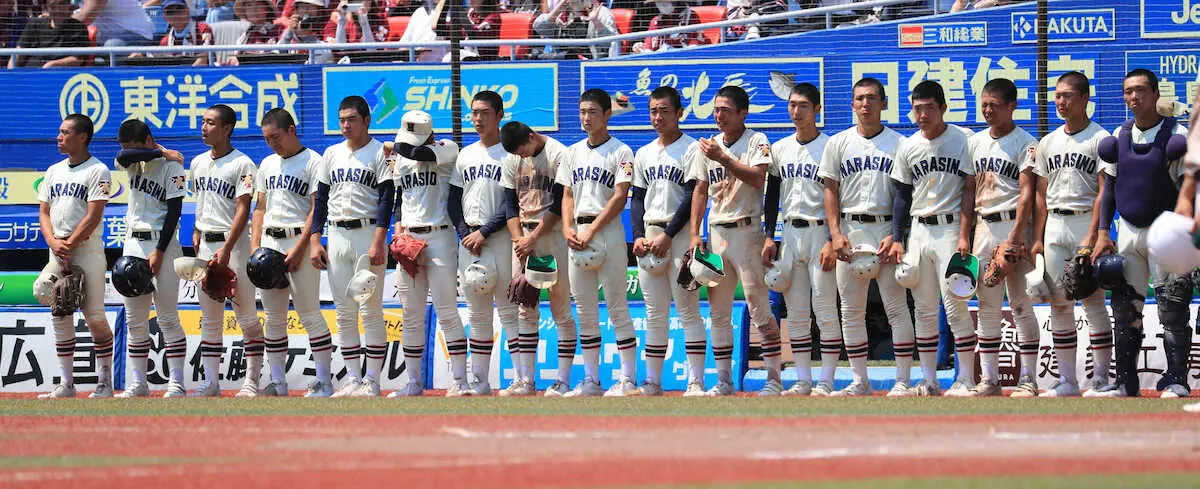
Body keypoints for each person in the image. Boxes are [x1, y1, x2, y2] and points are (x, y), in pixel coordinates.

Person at [1091, 69, 1191, 398]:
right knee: (1124, 309)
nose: (1134, 98)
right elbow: (1109, 191)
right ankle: (1125, 382)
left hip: (1166, 234)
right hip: (1129, 232)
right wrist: (1104, 232)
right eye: (1128, 92)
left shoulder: (1177, 135)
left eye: (1140, 91)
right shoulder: (1118, 137)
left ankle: (1176, 379)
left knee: (1172, 306)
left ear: (1155, 94)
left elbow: (1191, 185)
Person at [818, 78, 916, 397]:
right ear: (852, 104)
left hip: (886, 230)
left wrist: (896, 234)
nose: (865, 104)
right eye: (859, 98)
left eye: (872, 98)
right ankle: (860, 380)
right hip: (850, 228)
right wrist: (835, 234)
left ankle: (903, 380)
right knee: (850, 309)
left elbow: (905, 193)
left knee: (896, 307)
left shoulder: (900, 144)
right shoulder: (838, 143)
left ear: (884, 103)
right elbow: (829, 190)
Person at [688, 85, 782, 396]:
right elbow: (701, 190)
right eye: (716, 109)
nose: (719, 116)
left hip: (747, 230)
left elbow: (759, 179)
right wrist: (694, 233)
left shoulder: (756, 140)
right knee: (718, 310)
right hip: (716, 232)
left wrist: (724, 158)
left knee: (758, 305)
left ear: (743, 113)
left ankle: (773, 378)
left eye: (726, 110)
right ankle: (724, 380)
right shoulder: (709, 146)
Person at [887, 80, 977, 397]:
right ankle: (928, 380)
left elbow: (970, 190)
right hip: (919, 229)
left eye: (928, 108)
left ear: (942, 108)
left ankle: (966, 378)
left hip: (951, 228)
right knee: (923, 309)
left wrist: (966, 234)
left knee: (955, 306)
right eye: (917, 108)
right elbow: (901, 194)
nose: (922, 114)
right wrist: (898, 238)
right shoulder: (908, 145)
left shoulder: (964, 139)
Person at [1029, 71, 1114, 397]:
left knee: (1092, 301)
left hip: (1083, 224)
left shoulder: (1100, 138)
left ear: (1084, 98)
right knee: (1059, 304)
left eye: (1067, 96)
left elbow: (1104, 193)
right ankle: (1068, 381)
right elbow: (1040, 193)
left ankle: (1102, 380)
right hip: (1055, 227)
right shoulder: (1049, 142)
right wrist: (1038, 236)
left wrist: (1092, 237)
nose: (1060, 102)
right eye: (1057, 96)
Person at [555, 88, 638, 396]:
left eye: (592, 112)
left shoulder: (622, 151)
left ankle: (628, 379)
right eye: (582, 112)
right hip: (576, 232)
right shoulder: (572, 152)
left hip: (608, 232)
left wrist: (590, 230)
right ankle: (591, 380)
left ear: (607, 115)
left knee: (617, 306)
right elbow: (566, 195)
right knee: (585, 310)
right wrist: (566, 228)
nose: (586, 118)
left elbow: (620, 197)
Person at [309, 96, 392, 398]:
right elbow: (320, 200)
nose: (345, 125)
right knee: (344, 312)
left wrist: (380, 239)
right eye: (342, 119)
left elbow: (387, 198)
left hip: (367, 232)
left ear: (367, 121)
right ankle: (352, 379)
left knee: (370, 310)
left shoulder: (381, 152)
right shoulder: (330, 153)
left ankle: (372, 380)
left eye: (351, 119)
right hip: (338, 235)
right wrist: (316, 239)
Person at [252, 108, 335, 398]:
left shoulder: (314, 161)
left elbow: (317, 207)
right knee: (273, 317)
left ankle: (324, 380)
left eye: (275, 136)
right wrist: (255, 248)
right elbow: (260, 208)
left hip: (297, 243)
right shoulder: (266, 164)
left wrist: (301, 247)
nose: (272, 143)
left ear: (291, 130)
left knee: (309, 312)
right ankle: (277, 382)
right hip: (270, 244)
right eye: (266, 138)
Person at [760, 82, 837, 397]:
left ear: (817, 109)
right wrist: (769, 236)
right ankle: (803, 379)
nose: (796, 111)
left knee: (825, 308)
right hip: (790, 232)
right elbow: (773, 195)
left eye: (803, 105)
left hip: (821, 231)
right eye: (792, 105)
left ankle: (827, 379)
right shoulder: (780, 149)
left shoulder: (831, 146)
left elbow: (838, 197)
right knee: (797, 312)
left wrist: (834, 238)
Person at [966, 78, 1040, 397]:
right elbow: (969, 192)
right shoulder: (975, 143)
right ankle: (990, 380)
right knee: (987, 305)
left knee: (1022, 305)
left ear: (1012, 106)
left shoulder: (1026, 142)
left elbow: (1028, 194)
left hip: (1015, 227)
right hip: (984, 226)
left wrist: (1014, 238)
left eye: (994, 104)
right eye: (984, 103)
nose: (987, 110)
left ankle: (1030, 379)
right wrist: (965, 236)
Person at [630, 85, 704, 396]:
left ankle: (696, 381)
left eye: (664, 111)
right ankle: (652, 382)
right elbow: (637, 199)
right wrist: (636, 235)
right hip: (650, 235)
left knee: (687, 309)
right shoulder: (644, 152)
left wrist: (669, 235)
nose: (658, 117)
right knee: (654, 312)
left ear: (679, 114)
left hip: (680, 235)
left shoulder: (692, 149)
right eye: (653, 111)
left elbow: (690, 197)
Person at [187, 104, 264, 398]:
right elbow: (200, 202)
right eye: (203, 121)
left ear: (227, 128)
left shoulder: (243, 164)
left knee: (245, 313)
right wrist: (196, 229)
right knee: (209, 317)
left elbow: (243, 209)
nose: (204, 127)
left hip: (235, 245)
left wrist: (227, 249)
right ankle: (210, 382)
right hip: (207, 243)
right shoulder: (197, 163)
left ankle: (252, 381)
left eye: (210, 123)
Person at [108, 120, 189, 398]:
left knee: (167, 318)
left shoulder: (173, 167)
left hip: (162, 244)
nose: (128, 151)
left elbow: (174, 213)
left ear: (148, 138)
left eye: (134, 144)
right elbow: (123, 156)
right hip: (132, 243)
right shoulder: (134, 162)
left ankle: (176, 382)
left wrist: (160, 251)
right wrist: (159, 152)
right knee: (135, 320)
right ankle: (138, 383)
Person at [387, 110, 466, 397]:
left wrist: (394, 146)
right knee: (411, 314)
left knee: (446, 310)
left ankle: (460, 380)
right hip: (410, 236)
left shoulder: (447, 148)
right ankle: (413, 383)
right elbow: (399, 199)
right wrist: (398, 230)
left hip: (440, 236)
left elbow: (419, 153)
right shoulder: (401, 162)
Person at [36, 115, 114, 398]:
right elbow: (44, 212)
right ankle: (67, 384)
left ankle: (105, 381)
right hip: (57, 249)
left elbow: (94, 214)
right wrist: (53, 242)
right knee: (58, 310)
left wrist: (67, 243)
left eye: (65, 132)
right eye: (59, 131)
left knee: (94, 315)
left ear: (82, 137)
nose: (59, 136)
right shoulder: (53, 171)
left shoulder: (98, 170)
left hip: (87, 249)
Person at [500, 121, 579, 397]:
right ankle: (526, 380)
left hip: (551, 235)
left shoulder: (559, 154)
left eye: (523, 150)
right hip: (522, 236)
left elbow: (559, 204)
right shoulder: (511, 159)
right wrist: (519, 241)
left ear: (531, 137)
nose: (521, 156)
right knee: (524, 308)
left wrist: (532, 239)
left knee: (561, 309)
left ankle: (562, 380)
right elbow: (510, 204)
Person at [449, 91, 518, 396]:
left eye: (484, 113)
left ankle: (521, 379)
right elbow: (453, 200)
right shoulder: (465, 155)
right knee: (477, 313)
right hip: (470, 241)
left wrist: (484, 233)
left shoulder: (511, 154)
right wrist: (465, 232)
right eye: (474, 113)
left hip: (500, 238)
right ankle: (479, 380)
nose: (477, 119)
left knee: (508, 309)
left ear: (500, 114)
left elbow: (511, 203)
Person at [7, 0, 89, 69]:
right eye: (53, 6)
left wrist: (52, 65)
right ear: (47, 8)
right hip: (27, 78)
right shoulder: (34, 24)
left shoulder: (78, 28)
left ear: (69, 6)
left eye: (62, 4)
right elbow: (18, 54)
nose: (58, 10)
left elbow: (78, 59)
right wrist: (10, 75)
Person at [533, 0, 618, 59]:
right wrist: (557, 10)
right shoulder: (561, 14)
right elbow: (539, 28)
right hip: (564, 63)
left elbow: (612, 47)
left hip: (592, 64)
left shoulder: (601, 13)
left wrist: (597, 23)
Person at [630, 1, 707, 54]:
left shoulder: (689, 17)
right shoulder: (655, 21)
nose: (661, 5)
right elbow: (649, 47)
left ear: (675, 2)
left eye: (665, 2)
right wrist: (640, 47)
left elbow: (694, 46)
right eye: (658, 2)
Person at [74, 0, 155, 46]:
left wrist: (63, 24)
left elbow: (86, 17)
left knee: (112, 45)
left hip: (135, 35)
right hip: (105, 36)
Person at [157, 0, 212, 66]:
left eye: (179, 9)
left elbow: (205, 55)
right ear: (165, 16)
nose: (176, 15)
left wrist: (187, 73)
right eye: (170, 12)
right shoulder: (164, 42)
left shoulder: (203, 29)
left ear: (187, 10)